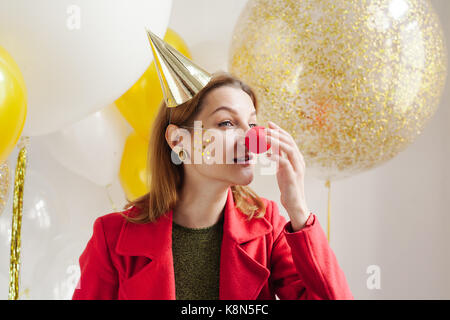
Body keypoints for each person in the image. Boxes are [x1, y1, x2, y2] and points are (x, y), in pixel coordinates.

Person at [72, 30, 353, 300]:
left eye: (252, 123)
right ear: (179, 141)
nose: (251, 138)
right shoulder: (112, 238)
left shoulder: (269, 229)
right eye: (227, 123)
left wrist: (298, 209)